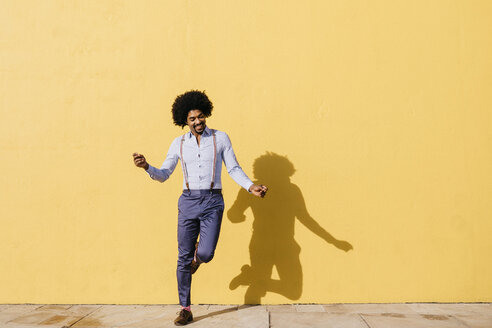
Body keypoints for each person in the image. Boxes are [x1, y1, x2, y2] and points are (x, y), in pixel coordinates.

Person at [132, 90, 268, 326]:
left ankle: (197, 257)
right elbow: (164, 174)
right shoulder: (178, 144)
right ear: (184, 121)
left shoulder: (221, 138)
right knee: (182, 258)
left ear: (206, 115)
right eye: (192, 119)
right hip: (187, 202)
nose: (198, 122)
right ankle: (185, 308)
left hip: (213, 201)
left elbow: (233, 169)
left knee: (205, 254)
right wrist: (146, 167)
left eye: (201, 116)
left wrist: (250, 187)